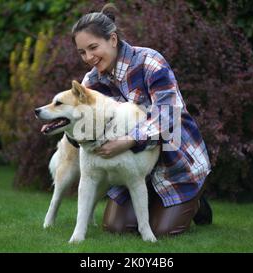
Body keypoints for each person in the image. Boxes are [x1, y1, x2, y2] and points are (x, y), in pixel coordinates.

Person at [71, 4, 212, 237]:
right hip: (130, 169)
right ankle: (154, 200)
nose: (88, 58)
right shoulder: (91, 82)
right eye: (82, 52)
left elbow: (168, 113)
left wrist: (128, 141)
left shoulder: (149, 61)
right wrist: (74, 131)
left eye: (93, 47)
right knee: (117, 228)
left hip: (174, 161)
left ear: (113, 39)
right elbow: (80, 122)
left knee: (162, 231)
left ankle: (196, 201)